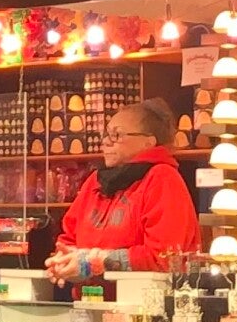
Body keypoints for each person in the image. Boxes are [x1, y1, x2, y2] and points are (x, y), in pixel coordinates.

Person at [47, 99, 200, 279]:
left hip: (143, 295)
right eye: (106, 134)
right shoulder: (95, 180)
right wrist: (63, 259)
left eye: (117, 135)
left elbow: (164, 257)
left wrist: (95, 262)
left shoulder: (162, 178)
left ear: (148, 142)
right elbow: (69, 235)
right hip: (88, 294)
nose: (106, 142)